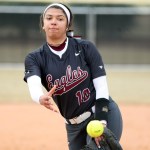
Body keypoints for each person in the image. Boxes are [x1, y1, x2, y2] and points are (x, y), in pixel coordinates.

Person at [23, 3, 123, 150]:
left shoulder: (85, 48)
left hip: (100, 113)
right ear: (43, 24)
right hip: (73, 126)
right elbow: (33, 83)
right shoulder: (35, 57)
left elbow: (102, 87)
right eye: (49, 18)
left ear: (68, 25)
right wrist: (39, 97)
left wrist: (102, 121)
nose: (54, 21)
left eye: (60, 19)